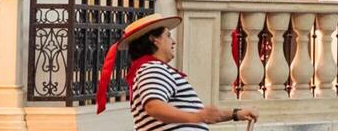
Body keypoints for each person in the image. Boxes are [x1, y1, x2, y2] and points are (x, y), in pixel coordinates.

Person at [97, 14, 257, 129]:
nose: (173, 41)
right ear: (154, 39)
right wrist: (197, 117)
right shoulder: (152, 68)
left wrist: (236, 114)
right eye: (168, 36)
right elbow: (154, 106)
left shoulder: (154, 70)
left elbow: (206, 114)